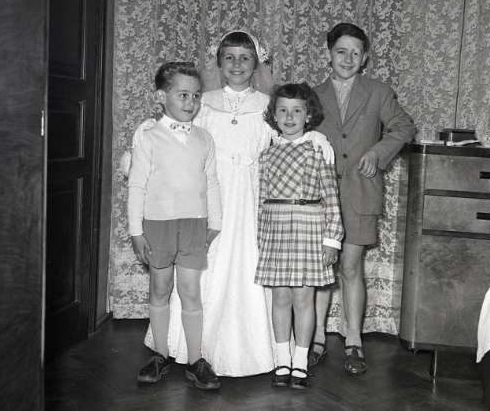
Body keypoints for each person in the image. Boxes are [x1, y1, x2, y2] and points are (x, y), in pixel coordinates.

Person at [141, 30, 336, 377]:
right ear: (218, 62)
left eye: (245, 58)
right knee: (199, 273)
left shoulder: (268, 105)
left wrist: (316, 138)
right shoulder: (203, 102)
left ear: (256, 63)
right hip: (207, 196)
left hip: (251, 198)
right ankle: (185, 349)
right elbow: (176, 131)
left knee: (249, 265)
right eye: (229, 57)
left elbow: (290, 137)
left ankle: (260, 353)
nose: (237, 64)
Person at [312, 22, 415, 375]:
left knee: (350, 267)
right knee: (320, 269)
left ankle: (353, 340)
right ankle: (316, 337)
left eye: (355, 53)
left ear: (365, 57)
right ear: (328, 53)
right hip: (318, 197)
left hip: (360, 192)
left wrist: (377, 153)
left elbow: (404, 127)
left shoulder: (378, 92)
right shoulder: (312, 95)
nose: (347, 59)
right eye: (341, 51)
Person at [127, 62, 222, 390]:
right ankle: (160, 355)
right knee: (160, 288)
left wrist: (215, 221)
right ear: (161, 96)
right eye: (183, 95)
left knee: (191, 291)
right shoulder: (148, 137)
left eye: (196, 95)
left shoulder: (204, 138)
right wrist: (136, 232)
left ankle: (196, 360)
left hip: (195, 223)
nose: (190, 102)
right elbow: (136, 185)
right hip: (158, 224)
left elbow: (212, 181)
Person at [254, 83, 344, 389]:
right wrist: (261, 238)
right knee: (280, 297)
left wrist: (332, 239)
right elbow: (261, 200)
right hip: (276, 230)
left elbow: (331, 198)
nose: (289, 117)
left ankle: (301, 361)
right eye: (282, 110)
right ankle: (282, 359)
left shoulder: (317, 149)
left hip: (309, 229)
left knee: (304, 299)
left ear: (308, 115)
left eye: (296, 110)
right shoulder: (267, 154)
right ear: (274, 115)